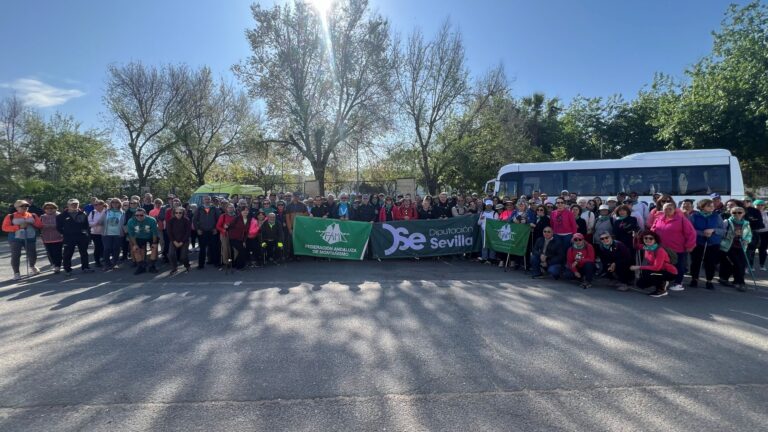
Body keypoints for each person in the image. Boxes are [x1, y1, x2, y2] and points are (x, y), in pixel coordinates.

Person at [651, 202, 696, 291]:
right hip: (662, 248)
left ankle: (678, 283)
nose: (667, 210)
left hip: (677, 248)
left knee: (679, 266)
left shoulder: (681, 219)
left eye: (670, 208)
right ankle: (665, 281)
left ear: (675, 209)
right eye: (665, 208)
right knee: (664, 265)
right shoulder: (659, 218)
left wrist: (690, 245)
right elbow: (653, 229)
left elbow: (691, 233)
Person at [3, 199, 43, 280]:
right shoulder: (10, 216)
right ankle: (16, 273)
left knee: (33, 254)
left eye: (26, 206)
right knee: (16, 255)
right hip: (15, 239)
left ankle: (32, 266)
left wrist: (31, 223)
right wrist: (18, 227)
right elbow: (5, 228)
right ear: (17, 207)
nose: (25, 207)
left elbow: (40, 225)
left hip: (30, 237)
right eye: (22, 206)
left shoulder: (33, 215)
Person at [689, 198, 724, 290]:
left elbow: (723, 230)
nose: (712, 207)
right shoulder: (694, 216)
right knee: (696, 262)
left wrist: (713, 230)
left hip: (713, 243)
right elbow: (690, 229)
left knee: (710, 263)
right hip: (698, 242)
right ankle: (694, 279)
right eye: (709, 206)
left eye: (712, 205)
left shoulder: (717, 216)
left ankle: (709, 281)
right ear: (702, 207)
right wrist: (702, 233)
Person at [630, 230, 677, 298]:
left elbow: (656, 268)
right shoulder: (646, 247)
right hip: (658, 271)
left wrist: (638, 267)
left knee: (651, 273)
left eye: (651, 238)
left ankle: (661, 290)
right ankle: (662, 282)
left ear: (655, 240)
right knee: (640, 284)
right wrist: (635, 237)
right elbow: (636, 246)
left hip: (669, 272)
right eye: (645, 238)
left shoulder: (659, 250)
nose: (648, 240)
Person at [719, 206, 752, 291]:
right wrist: (733, 234)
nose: (737, 214)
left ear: (744, 213)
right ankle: (740, 282)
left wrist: (746, 240)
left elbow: (749, 235)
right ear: (731, 213)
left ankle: (735, 280)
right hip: (728, 247)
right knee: (736, 264)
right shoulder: (727, 222)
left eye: (739, 212)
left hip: (741, 247)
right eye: (734, 212)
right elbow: (721, 233)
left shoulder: (746, 223)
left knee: (741, 264)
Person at [57, 199, 93, 276]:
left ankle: (85, 267)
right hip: (69, 237)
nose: (74, 205)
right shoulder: (62, 216)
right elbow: (58, 227)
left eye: (76, 204)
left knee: (84, 252)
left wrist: (87, 236)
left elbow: (86, 226)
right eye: (72, 204)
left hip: (81, 236)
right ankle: (67, 269)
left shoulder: (83, 214)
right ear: (68, 205)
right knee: (68, 253)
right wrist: (65, 233)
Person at [126, 207, 159, 275]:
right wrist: (135, 244)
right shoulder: (131, 221)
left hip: (150, 236)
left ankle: (152, 266)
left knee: (154, 247)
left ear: (145, 214)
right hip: (139, 237)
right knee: (135, 249)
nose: (139, 217)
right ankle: (141, 267)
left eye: (141, 215)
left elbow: (154, 233)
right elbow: (131, 235)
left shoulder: (152, 220)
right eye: (137, 215)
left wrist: (154, 242)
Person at [192, 195, 222, 269]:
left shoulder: (214, 208)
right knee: (202, 249)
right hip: (202, 232)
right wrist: (197, 229)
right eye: (205, 199)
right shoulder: (199, 209)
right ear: (203, 200)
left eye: (208, 199)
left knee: (214, 248)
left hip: (213, 231)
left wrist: (216, 228)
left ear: (210, 200)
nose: (207, 200)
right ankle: (201, 265)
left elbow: (219, 219)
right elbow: (194, 220)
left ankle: (216, 263)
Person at [101, 198, 125, 271]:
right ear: (110, 204)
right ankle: (107, 264)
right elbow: (101, 221)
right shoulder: (106, 212)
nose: (115, 203)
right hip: (107, 233)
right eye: (113, 202)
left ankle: (115, 263)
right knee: (107, 249)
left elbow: (124, 223)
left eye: (117, 202)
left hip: (118, 233)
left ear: (119, 204)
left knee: (116, 249)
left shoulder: (122, 212)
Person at [167, 206, 191, 275]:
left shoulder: (186, 220)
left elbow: (188, 232)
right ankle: (174, 268)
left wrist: (182, 242)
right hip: (174, 240)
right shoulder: (171, 221)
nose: (178, 214)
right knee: (171, 254)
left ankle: (187, 265)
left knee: (183, 257)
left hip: (184, 240)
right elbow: (169, 232)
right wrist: (174, 241)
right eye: (176, 212)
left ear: (183, 213)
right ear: (174, 213)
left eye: (180, 213)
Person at [40, 202, 63, 274]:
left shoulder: (59, 215)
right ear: (44, 209)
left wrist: (51, 226)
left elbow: (62, 225)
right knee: (50, 252)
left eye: (51, 208)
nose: (49, 209)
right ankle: (53, 264)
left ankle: (57, 266)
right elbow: (39, 226)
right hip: (46, 238)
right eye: (47, 208)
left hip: (58, 237)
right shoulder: (42, 217)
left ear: (55, 208)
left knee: (57, 252)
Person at [742, 197, 764, 267]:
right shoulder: (738, 209)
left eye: (747, 201)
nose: (745, 202)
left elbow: (759, 223)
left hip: (751, 233)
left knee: (749, 251)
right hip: (739, 233)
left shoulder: (755, 211)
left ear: (750, 202)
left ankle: (746, 266)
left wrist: (750, 223)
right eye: (743, 201)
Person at [87, 200, 106, 267]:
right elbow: (88, 223)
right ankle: (97, 261)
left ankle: (106, 260)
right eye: (94, 205)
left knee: (105, 247)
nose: (95, 206)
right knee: (98, 247)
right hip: (95, 233)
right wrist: (96, 224)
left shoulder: (107, 212)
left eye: (97, 204)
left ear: (102, 205)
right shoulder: (92, 213)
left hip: (105, 232)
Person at [754, 199, 768, 271]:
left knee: (763, 249)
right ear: (754, 206)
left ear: (764, 206)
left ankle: (762, 265)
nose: (760, 206)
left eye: (761, 205)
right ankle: (750, 266)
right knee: (752, 249)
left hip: (765, 233)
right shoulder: (752, 213)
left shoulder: (766, 213)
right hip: (755, 232)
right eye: (758, 205)